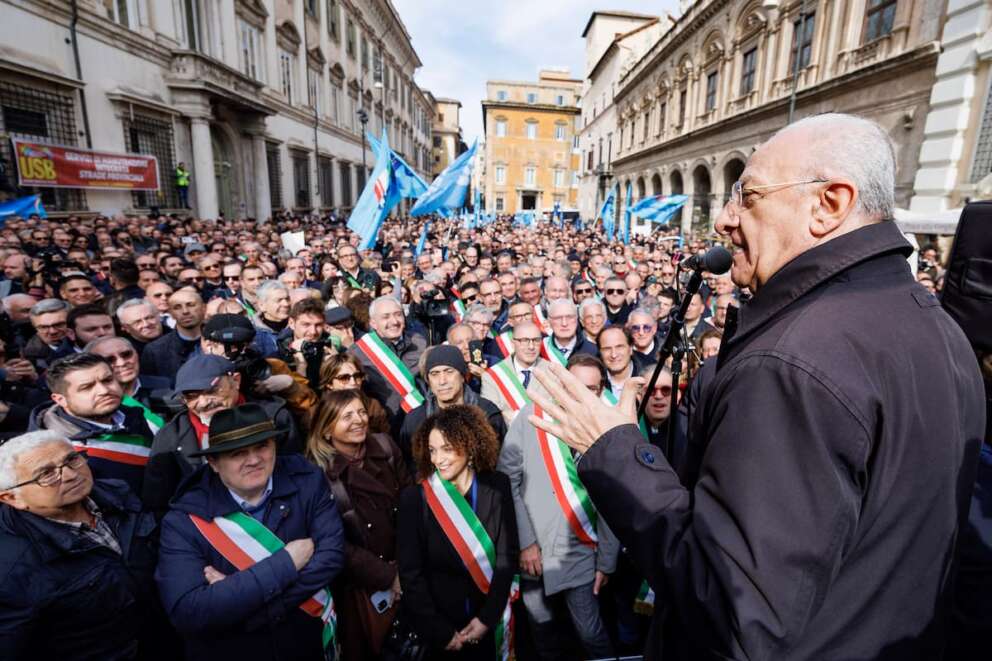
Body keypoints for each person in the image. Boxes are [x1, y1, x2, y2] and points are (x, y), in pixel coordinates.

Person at [525, 113, 987, 661]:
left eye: (749, 195)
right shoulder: (941, 328)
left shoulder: (792, 362)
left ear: (829, 204)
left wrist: (618, 451)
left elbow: (732, 610)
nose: (723, 218)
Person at [155, 403, 345, 661]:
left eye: (262, 447)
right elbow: (190, 611)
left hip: (305, 642)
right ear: (213, 462)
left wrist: (248, 603)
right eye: (237, 453)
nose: (254, 460)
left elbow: (331, 557)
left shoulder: (307, 480)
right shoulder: (185, 520)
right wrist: (286, 563)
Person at [0, 431, 173, 660]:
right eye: (46, 474)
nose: (71, 475)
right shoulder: (11, 567)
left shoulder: (118, 494)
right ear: (12, 498)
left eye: (72, 459)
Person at [397, 405, 518, 659]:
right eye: (432, 450)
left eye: (447, 449)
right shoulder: (414, 499)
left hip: (488, 622)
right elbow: (411, 575)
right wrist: (440, 632)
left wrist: (487, 618)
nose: (437, 459)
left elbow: (507, 557)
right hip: (441, 633)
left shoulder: (498, 486)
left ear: (470, 445)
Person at [306, 389, 411, 658]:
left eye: (361, 412)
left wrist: (405, 568)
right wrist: (388, 577)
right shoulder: (316, 474)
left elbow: (411, 506)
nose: (359, 420)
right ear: (327, 430)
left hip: (406, 570)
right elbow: (332, 541)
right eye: (347, 416)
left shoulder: (386, 446)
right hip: (357, 587)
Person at [143, 354, 303, 515]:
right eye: (192, 396)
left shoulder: (274, 418)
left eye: (212, 390)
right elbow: (157, 504)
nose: (204, 402)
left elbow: (296, 478)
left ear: (236, 381)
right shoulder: (170, 437)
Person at [28, 353, 153, 495]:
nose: (104, 391)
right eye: (87, 387)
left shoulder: (133, 415)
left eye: (107, 380)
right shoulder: (53, 450)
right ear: (60, 400)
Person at [398, 345, 506, 473]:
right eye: (434, 374)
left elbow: (500, 462)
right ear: (428, 380)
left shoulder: (487, 413)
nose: (442, 381)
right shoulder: (415, 420)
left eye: (449, 371)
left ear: (462, 376)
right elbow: (410, 466)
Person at [348, 295, 426, 426]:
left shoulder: (420, 341)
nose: (394, 321)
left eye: (398, 314)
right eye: (385, 317)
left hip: (420, 419)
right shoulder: (358, 352)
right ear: (373, 323)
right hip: (386, 424)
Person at [86, 336, 171, 433]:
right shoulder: (94, 402)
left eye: (126, 354)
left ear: (136, 353)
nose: (121, 363)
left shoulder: (165, 385)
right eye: (109, 360)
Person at [480, 320, 549, 426]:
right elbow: (492, 418)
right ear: (513, 343)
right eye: (524, 340)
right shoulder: (492, 376)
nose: (531, 346)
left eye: (536, 340)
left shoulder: (553, 372)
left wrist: (511, 415)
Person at [140, 289, 205, 385]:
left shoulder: (221, 340)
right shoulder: (155, 350)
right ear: (171, 313)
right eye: (177, 307)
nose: (185, 311)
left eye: (190, 305)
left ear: (203, 308)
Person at [542, 298, 597, 365]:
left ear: (577, 319)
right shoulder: (540, 350)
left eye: (569, 317)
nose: (564, 323)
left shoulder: (593, 351)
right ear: (549, 321)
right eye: (558, 318)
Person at [597, 326, 638, 395]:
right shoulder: (593, 380)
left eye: (619, 347)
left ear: (630, 348)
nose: (614, 355)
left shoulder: (650, 376)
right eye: (607, 349)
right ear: (600, 352)